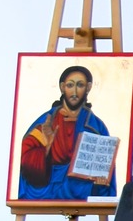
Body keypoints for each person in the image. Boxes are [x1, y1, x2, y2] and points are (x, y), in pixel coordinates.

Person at [18, 63, 117, 201]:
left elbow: (105, 168)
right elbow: (26, 162)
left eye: (80, 85)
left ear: (88, 87)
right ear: (62, 87)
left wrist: (101, 180)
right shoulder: (47, 122)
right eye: (70, 85)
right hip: (47, 188)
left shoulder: (96, 127)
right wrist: (46, 148)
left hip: (80, 188)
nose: (74, 92)